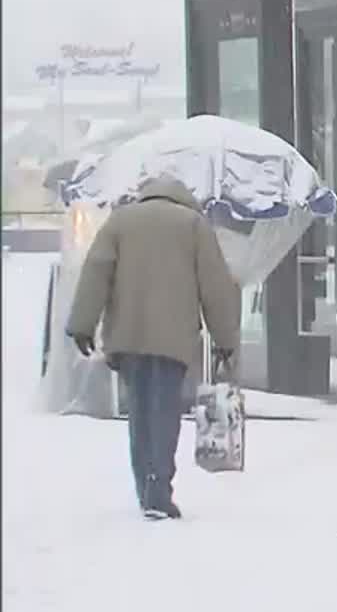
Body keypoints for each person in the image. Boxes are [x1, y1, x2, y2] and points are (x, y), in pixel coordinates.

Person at [65, 174, 240, 520]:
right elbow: (215, 285)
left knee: (141, 412)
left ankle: (145, 484)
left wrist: (83, 325)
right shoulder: (193, 224)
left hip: (128, 337)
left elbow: (96, 271)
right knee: (164, 410)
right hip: (173, 337)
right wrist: (225, 340)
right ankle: (158, 484)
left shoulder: (121, 220)